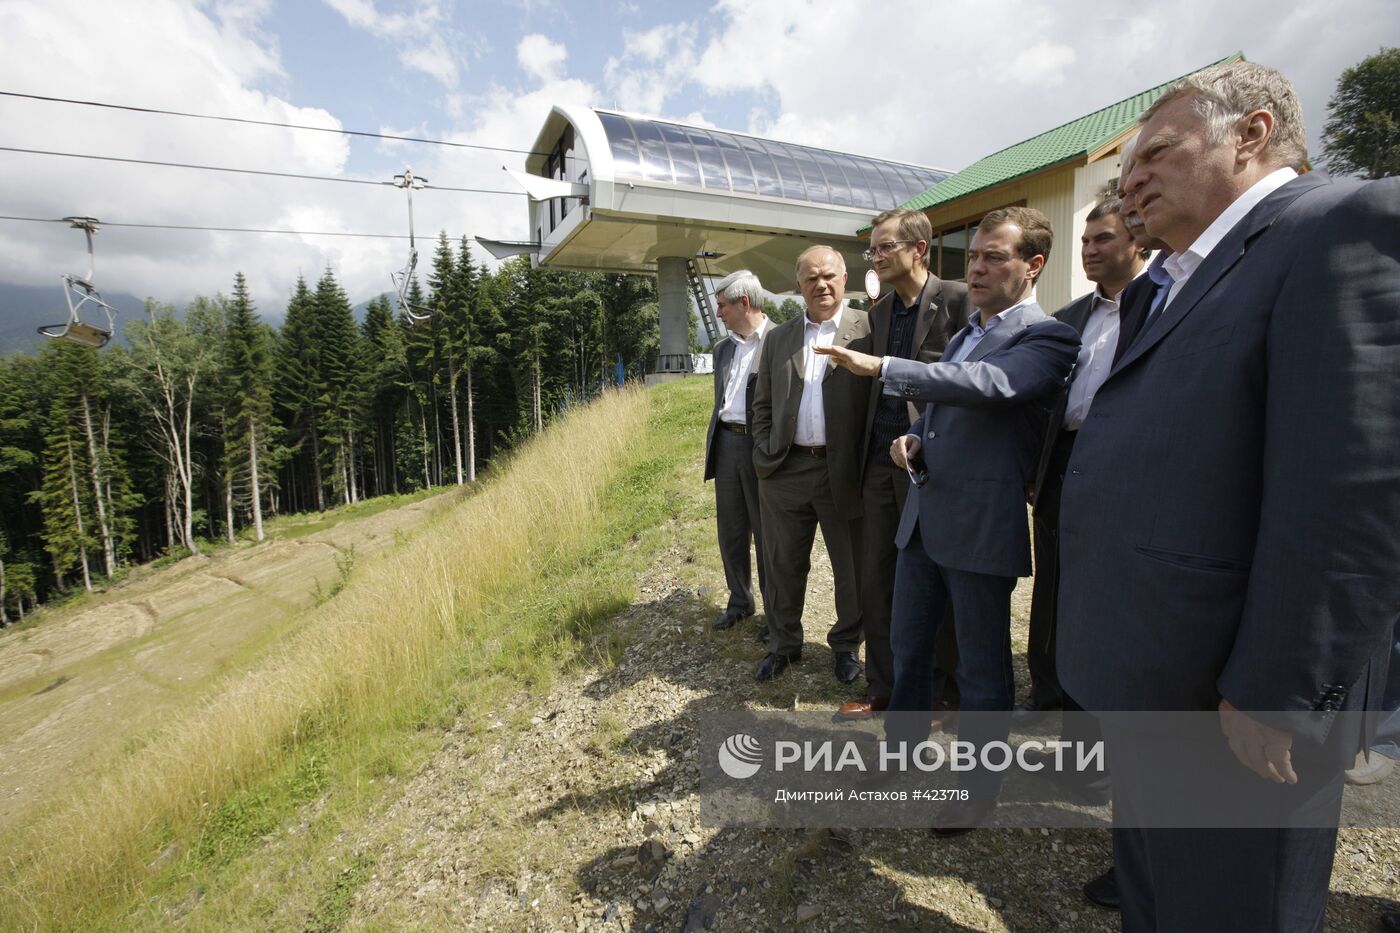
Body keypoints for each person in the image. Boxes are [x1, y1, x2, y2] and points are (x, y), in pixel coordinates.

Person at [1057, 60, 1400, 931]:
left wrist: (1279, 689)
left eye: (1157, 153)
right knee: (1161, 895)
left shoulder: (1338, 225)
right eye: (1127, 167)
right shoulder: (1180, 278)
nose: (1131, 182)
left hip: (1237, 704)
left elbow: (1355, 489)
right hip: (1164, 681)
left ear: (1250, 133)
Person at [817, 207, 1079, 832]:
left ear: (1033, 266)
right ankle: (901, 753)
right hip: (924, 519)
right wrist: (916, 444)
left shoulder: (1046, 336)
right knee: (909, 653)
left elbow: (988, 386)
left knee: (982, 669)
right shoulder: (969, 330)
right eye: (977, 256)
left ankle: (976, 790)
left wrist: (883, 367)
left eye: (997, 257)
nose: (980, 267)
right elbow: (949, 409)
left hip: (982, 527)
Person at [835, 207, 968, 722]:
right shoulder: (880, 312)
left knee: (934, 581)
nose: (876, 256)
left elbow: (965, 381)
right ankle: (884, 686)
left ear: (920, 249)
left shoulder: (957, 301)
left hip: (931, 467)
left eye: (885, 246)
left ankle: (941, 692)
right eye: (873, 249)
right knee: (877, 579)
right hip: (878, 466)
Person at [1023, 195, 1148, 718]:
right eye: (1085, 241)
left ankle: (1090, 711)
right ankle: (1046, 692)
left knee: (1100, 599)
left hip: (1123, 470)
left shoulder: (1161, 308)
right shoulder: (1070, 317)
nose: (1090, 251)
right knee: (1051, 586)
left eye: (1104, 239)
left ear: (1137, 241)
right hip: (1061, 466)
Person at [749, 246, 871, 683]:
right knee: (782, 563)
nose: (821, 284)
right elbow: (761, 402)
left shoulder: (866, 328)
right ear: (798, 285)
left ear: (844, 279)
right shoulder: (779, 337)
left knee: (851, 566)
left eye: (829, 276)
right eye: (811, 278)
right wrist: (764, 453)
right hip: (786, 470)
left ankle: (845, 646)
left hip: (844, 471)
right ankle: (784, 645)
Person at [703, 270, 773, 633]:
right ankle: (740, 601)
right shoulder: (723, 348)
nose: (718, 313)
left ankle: (774, 613)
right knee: (730, 530)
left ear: (744, 303)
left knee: (767, 534)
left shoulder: (780, 340)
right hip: (727, 444)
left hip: (761, 448)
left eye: (722, 305)